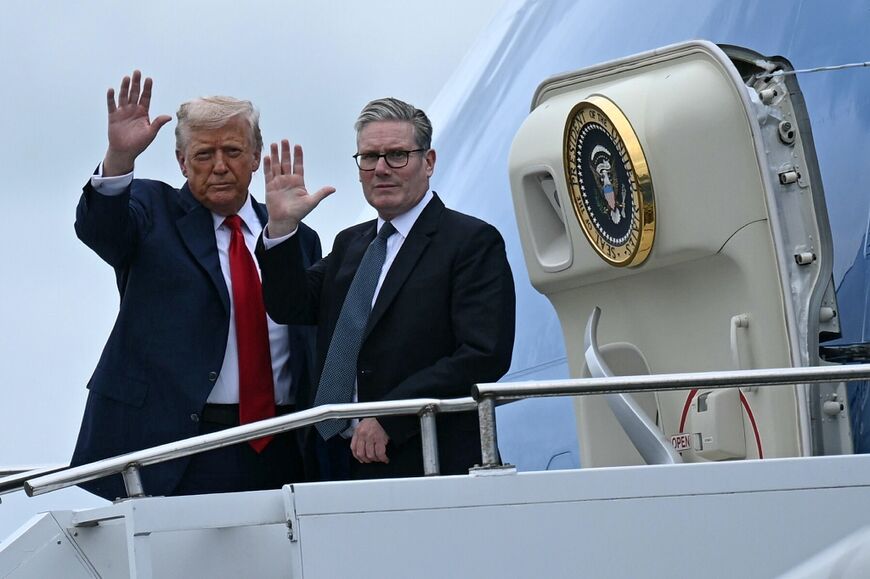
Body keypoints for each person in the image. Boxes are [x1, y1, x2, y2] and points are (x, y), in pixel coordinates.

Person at [70, 71, 329, 499]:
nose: (221, 166)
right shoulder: (153, 212)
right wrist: (119, 159)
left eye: (232, 151)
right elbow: (102, 229)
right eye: (205, 154)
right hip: (180, 448)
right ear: (182, 162)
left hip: (282, 441)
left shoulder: (294, 236)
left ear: (256, 156)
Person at [256, 97, 515, 480]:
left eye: (397, 155)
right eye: (369, 157)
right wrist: (281, 230)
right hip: (335, 458)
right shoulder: (350, 244)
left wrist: (393, 416)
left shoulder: (471, 242)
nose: (380, 169)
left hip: (427, 458)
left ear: (428, 162)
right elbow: (290, 307)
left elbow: (483, 354)